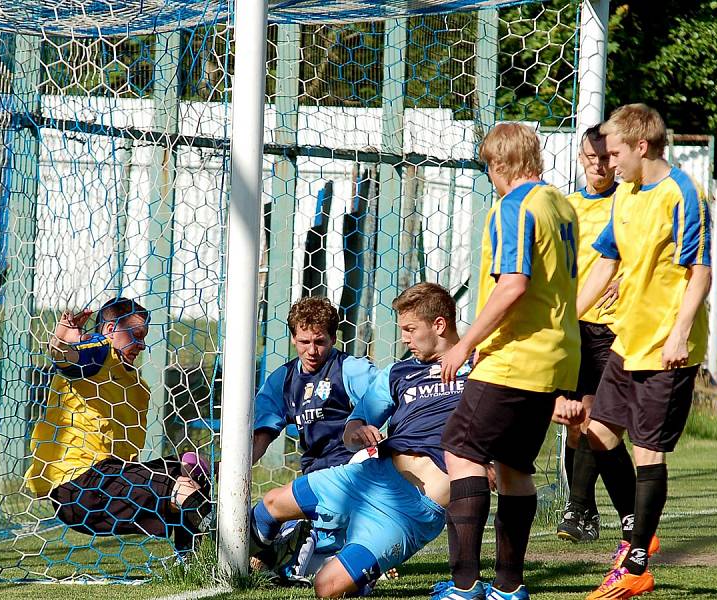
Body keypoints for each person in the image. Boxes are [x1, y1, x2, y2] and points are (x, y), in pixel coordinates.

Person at [249, 282, 472, 598]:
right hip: (365, 477)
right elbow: (357, 423)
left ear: (438, 325)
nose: (404, 338)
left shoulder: (478, 367)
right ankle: (266, 558)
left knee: (326, 588)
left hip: (410, 507)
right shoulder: (398, 372)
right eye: (303, 341)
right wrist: (357, 432)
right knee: (269, 504)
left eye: (409, 329)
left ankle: (353, 553)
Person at [435, 122, 581, 600]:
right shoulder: (561, 205)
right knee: (514, 467)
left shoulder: (514, 206)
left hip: (515, 356)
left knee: (461, 451)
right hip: (555, 358)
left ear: (499, 165)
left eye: (489, 168)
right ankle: (509, 586)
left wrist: (464, 343)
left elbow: (513, 284)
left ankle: (463, 584)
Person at [578, 104, 711, 599]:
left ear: (640, 146)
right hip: (627, 339)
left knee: (647, 448)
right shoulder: (626, 196)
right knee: (597, 431)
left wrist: (679, 333)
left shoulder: (682, 193)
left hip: (665, 347)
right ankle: (640, 528)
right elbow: (605, 262)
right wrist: (567, 316)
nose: (608, 164)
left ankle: (635, 566)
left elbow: (700, 270)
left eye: (614, 153)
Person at [26, 297, 211, 556]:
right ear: (111, 331)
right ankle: (236, 551)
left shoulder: (136, 385)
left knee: (193, 466)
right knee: (177, 486)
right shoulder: (100, 352)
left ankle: (194, 560)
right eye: (135, 335)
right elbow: (67, 356)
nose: (142, 345)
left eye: (144, 336)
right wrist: (61, 342)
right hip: (80, 483)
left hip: (109, 480)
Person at [251, 296, 377, 581]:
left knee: (313, 557)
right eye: (304, 342)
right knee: (257, 519)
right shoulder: (282, 379)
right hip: (313, 477)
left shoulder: (351, 370)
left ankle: (362, 547)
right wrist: (235, 469)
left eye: (319, 342)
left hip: (353, 476)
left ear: (333, 338)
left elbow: (387, 401)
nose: (311, 350)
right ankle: (267, 552)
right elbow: (262, 434)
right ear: (294, 338)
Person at [555, 124, 623, 544]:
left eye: (604, 158)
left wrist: (625, 277)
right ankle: (587, 511)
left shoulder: (627, 203)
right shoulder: (567, 207)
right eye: (590, 157)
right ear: (581, 158)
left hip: (611, 328)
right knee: (574, 421)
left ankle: (577, 510)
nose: (597, 165)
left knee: (597, 416)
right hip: (571, 325)